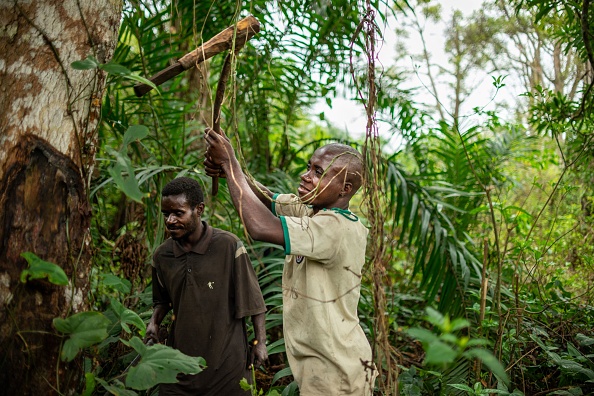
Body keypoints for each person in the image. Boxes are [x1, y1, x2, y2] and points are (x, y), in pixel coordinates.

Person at [204, 130, 377, 395]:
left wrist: (229, 163)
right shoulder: (313, 210)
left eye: (319, 173)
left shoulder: (336, 229)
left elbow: (260, 226)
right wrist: (228, 169)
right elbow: (266, 199)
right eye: (309, 167)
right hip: (323, 364)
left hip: (337, 370)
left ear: (345, 189)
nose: (306, 176)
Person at [145, 176, 268, 396]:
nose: (170, 221)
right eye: (166, 214)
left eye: (178, 213)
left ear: (199, 209)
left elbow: (254, 301)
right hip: (178, 368)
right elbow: (162, 301)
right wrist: (154, 322)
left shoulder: (228, 246)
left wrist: (260, 343)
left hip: (227, 369)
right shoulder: (162, 255)